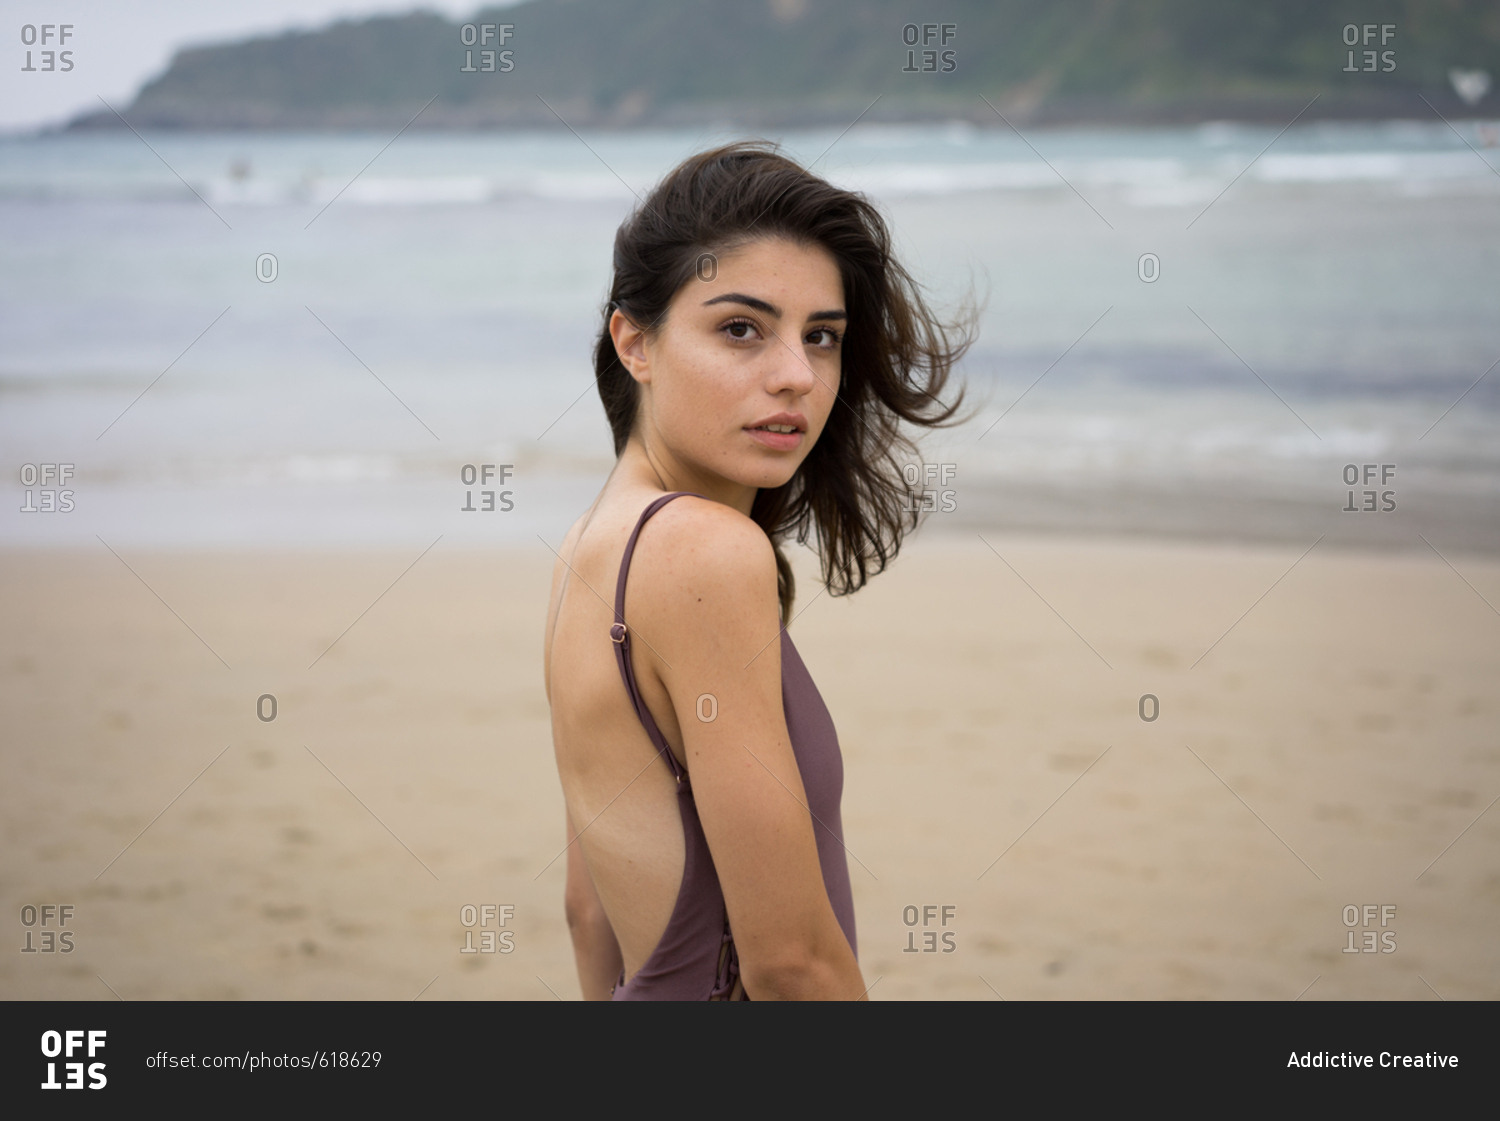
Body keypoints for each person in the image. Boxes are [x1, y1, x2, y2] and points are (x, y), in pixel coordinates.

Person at [542, 140, 974, 1000]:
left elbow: (588, 911)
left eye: (822, 337)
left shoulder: (591, 543)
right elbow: (792, 964)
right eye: (740, 328)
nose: (795, 376)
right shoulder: (705, 552)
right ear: (636, 341)